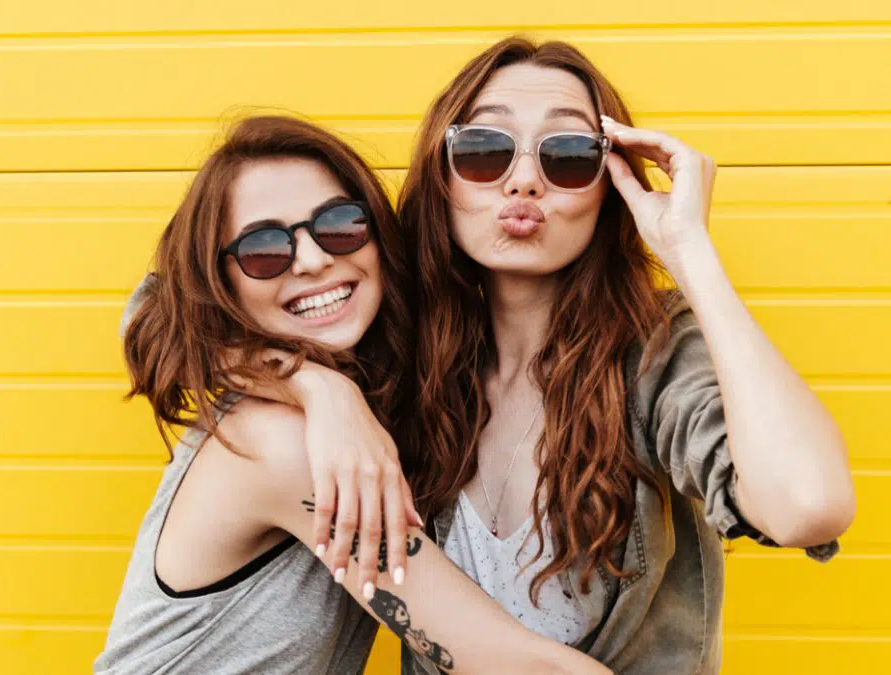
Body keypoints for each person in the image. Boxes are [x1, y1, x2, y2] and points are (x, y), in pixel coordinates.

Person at [391, 37, 856, 673]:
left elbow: (808, 505)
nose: (524, 180)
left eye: (570, 155)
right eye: (484, 149)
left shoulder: (653, 354)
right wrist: (326, 396)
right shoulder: (412, 362)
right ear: (441, 177)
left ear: (611, 184)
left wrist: (689, 252)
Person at [96, 115, 609, 674]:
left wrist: (321, 388)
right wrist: (319, 390)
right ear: (220, 284)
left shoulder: (344, 399)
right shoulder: (279, 444)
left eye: (339, 225)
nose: (314, 259)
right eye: (263, 248)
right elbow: (518, 666)